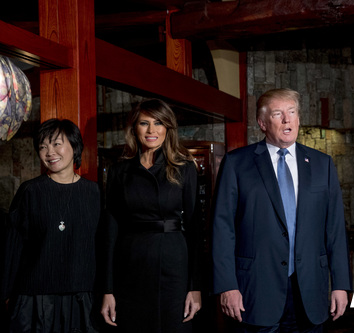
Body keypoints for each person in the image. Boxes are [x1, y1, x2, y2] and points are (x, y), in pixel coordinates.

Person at [211, 88, 352, 332]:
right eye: (278, 114)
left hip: (310, 291)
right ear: (262, 123)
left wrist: (340, 284)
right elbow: (222, 229)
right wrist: (226, 285)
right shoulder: (237, 163)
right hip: (254, 291)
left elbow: (336, 230)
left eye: (292, 112)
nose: (287, 120)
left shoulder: (322, 164)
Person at [100, 99, 202, 333]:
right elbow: (110, 231)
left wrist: (195, 287)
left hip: (173, 266)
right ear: (134, 128)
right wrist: (108, 290)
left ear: (168, 128)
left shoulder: (184, 167)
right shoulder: (119, 170)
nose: (151, 130)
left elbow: (195, 229)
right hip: (130, 265)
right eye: (144, 123)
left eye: (158, 123)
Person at [0, 118, 101, 332]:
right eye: (43, 147)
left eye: (56, 144)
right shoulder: (30, 192)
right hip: (35, 299)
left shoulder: (94, 193)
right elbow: (13, 246)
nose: (49, 152)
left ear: (74, 146)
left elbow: (101, 246)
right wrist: (6, 294)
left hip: (81, 297)